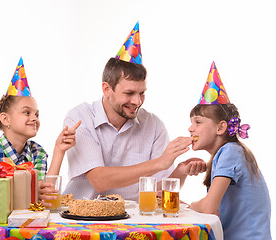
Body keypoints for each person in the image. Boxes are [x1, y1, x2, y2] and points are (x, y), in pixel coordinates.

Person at [62, 22, 206, 202]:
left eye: (142, 93)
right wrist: (159, 162)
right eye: (129, 93)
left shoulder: (154, 125)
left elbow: (159, 193)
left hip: (135, 221)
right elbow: (99, 180)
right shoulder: (80, 118)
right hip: (83, 219)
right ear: (107, 89)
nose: (137, 102)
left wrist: (180, 171)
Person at [0, 57, 81, 205]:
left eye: (37, 115)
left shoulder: (37, 152)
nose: (34, 118)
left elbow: (44, 197)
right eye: (27, 112)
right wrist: (29, 191)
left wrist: (59, 150)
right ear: (6, 119)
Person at [188, 62, 271, 239]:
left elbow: (210, 208)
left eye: (198, 122)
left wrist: (187, 207)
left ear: (221, 127)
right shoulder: (227, 153)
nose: (190, 128)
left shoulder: (230, 152)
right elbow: (212, 212)